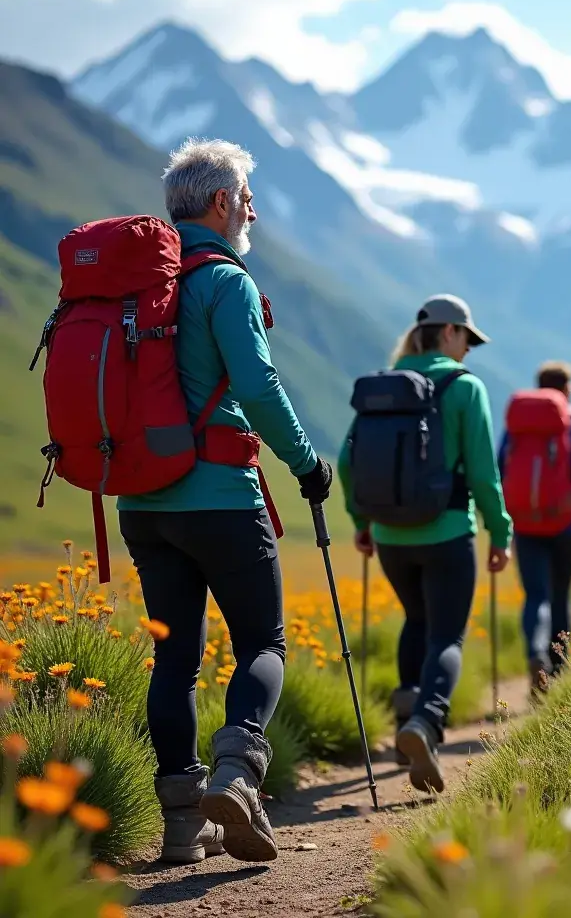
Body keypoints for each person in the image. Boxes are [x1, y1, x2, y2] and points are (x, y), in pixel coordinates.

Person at [118, 139, 333, 865]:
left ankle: (183, 824)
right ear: (220, 203)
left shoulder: (137, 285)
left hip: (143, 502)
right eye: (245, 197)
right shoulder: (224, 280)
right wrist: (307, 463)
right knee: (263, 644)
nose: (252, 209)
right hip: (219, 496)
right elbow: (257, 387)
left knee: (173, 659)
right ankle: (239, 775)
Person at [338, 294, 511, 794]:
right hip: (449, 531)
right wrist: (501, 532)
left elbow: (348, 465)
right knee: (447, 636)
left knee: (416, 620)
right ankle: (426, 723)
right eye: (468, 341)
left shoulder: (382, 386)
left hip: (391, 536)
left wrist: (362, 521)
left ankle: (403, 725)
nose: (468, 352)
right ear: (451, 333)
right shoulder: (463, 387)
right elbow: (483, 472)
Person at [497, 361, 571, 696]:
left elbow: (501, 469)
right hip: (567, 525)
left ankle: (535, 654)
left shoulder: (515, 430)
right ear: (567, 389)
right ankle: (558, 673)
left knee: (536, 595)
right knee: (561, 595)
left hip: (525, 524)